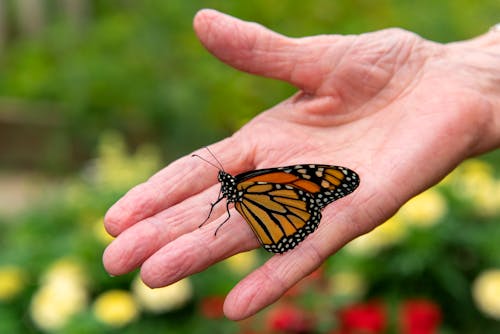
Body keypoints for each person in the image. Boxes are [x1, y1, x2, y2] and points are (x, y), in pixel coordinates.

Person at [102, 9, 500, 320]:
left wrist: (475, 75)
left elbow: (308, 183)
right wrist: (477, 69)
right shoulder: (242, 189)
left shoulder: (251, 186)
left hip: (289, 214)